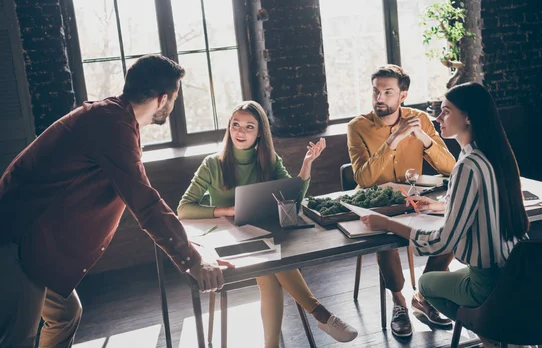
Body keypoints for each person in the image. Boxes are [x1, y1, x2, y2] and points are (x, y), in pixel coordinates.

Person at [0, 55, 232, 348]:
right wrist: (192, 261)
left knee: (66, 314)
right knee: (19, 337)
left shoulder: (115, 118)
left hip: (36, 241)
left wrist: (188, 244)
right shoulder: (112, 125)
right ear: (163, 100)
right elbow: (145, 202)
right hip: (19, 240)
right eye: (173, 99)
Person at [361, 82, 530, 348]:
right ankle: (495, 337)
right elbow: (482, 201)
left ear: (468, 117)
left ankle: (489, 335)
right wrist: (440, 205)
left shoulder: (467, 165)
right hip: (518, 273)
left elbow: (443, 242)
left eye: (446, 111)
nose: (437, 118)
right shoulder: (497, 156)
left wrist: (388, 224)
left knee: (426, 284)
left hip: (486, 283)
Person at [178, 100, 358, 348]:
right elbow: (184, 208)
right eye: (235, 125)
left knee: (270, 269)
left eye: (249, 127)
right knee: (273, 261)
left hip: (263, 236)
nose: (240, 132)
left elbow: (292, 197)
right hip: (228, 240)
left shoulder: (269, 160)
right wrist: (227, 210)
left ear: (260, 132)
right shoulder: (212, 164)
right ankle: (321, 314)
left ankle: (273, 344)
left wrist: (306, 165)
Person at [346, 64, 457, 337]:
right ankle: (399, 302)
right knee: (383, 237)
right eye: (376, 91)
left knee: (454, 227)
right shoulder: (357, 127)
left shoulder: (419, 119)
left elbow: (450, 166)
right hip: (376, 203)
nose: (379, 98)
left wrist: (421, 137)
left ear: (402, 95)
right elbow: (364, 177)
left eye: (387, 92)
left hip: (415, 201)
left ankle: (424, 295)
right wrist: (393, 140)